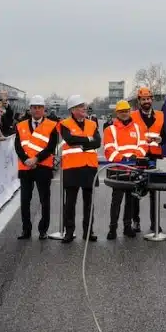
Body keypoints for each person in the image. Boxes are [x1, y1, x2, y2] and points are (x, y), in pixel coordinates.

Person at [14, 95, 59, 239]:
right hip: (25, 167)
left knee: (44, 200)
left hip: (43, 167)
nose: (37, 110)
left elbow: (51, 147)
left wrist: (36, 159)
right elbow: (17, 146)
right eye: (34, 107)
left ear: (44, 109)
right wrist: (26, 159)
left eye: (39, 107)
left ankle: (43, 230)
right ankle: (26, 230)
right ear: (30, 109)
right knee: (25, 200)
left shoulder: (52, 125)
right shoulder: (20, 125)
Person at [59, 95, 101, 243]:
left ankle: (88, 232)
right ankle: (69, 232)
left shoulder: (92, 124)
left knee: (89, 203)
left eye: (84, 105)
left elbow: (97, 142)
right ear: (73, 109)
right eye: (80, 106)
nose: (84, 108)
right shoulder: (64, 124)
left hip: (89, 167)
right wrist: (88, 140)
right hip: (72, 167)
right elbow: (70, 140)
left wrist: (83, 142)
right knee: (70, 202)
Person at [103, 100, 147, 238]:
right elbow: (108, 149)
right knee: (116, 200)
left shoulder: (138, 128)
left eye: (126, 111)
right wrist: (122, 159)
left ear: (130, 111)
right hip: (119, 169)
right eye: (122, 111)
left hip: (134, 169)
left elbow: (143, 146)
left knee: (131, 200)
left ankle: (127, 227)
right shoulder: (110, 129)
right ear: (117, 113)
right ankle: (113, 228)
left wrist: (136, 156)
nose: (125, 114)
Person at [132, 86, 165, 234]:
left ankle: (154, 223)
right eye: (143, 99)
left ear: (152, 100)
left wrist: (160, 139)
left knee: (155, 192)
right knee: (137, 190)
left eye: (148, 98)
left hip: (155, 157)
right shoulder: (132, 116)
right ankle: (135, 222)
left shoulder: (161, 115)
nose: (146, 101)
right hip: (139, 157)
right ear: (139, 101)